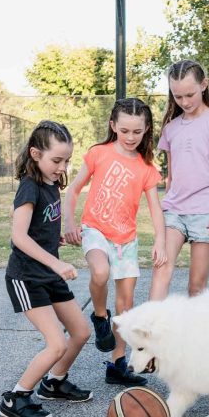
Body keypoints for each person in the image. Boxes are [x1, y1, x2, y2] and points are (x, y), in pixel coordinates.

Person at [63, 98, 167, 386]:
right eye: (124, 131)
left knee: (126, 306)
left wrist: (160, 240)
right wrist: (70, 223)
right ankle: (100, 317)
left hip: (126, 240)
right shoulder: (99, 153)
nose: (130, 137)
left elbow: (155, 208)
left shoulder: (146, 168)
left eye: (137, 131)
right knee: (100, 272)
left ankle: (117, 364)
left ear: (146, 130)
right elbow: (74, 189)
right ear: (113, 126)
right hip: (95, 228)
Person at [0, 120, 92, 417]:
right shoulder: (29, 186)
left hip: (49, 274)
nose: (62, 167)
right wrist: (56, 263)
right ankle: (16, 398)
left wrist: (56, 239)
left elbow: (38, 228)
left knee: (81, 332)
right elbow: (19, 236)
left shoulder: (52, 183)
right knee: (57, 344)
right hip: (27, 277)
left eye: (67, 161)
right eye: (56, 160)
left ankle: (54, 383)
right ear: (36, 154)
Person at [149, 59, 209, 301]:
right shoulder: (171, 128)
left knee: (196, 287)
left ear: (204, 85)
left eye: (189, 95)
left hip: (207, 213)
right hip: (174, 211)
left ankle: (195, 327)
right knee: (161, 271)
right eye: (177, 96)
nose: (184, 102)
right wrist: (165, 209)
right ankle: (149, 326)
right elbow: (172, 177)